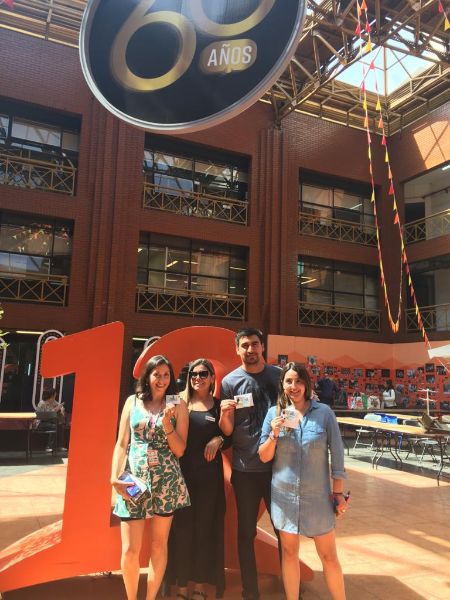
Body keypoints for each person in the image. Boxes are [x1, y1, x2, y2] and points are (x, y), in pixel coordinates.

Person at [258, 362, 347, 600]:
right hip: (284, 498)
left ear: (307, 384)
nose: (294, 386)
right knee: (289, 554)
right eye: (289, 381)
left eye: (299, 381)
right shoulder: (274, 414)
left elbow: (338, 454)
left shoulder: (324, 413)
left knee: (329, 556)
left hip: (318, 498)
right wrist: (274, 434)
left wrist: (338, 494)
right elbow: (264, 456)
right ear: (282, 385)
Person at [110, 355, 190, 600]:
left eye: (166, 375)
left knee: (158, 545)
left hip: (166, 482)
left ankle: (150, 597)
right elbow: (121, 443)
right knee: (130, 549)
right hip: (134, 481)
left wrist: (167, 423)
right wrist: (114, 479)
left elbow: (180, 450)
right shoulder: (132, 401)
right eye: (157, 374)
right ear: (148, 376)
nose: (161, 380)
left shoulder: (178, 404)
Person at [219, 328, 281, 600]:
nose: (250, 350)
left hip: (279, 469)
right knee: (245, 533)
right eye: (245, 345)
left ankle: (291, 586)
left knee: (284, 532)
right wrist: (224, 416)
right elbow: (227, 430)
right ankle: (250, 591)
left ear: (262, 347)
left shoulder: (280, 377)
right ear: (237, 349)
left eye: (255, 344)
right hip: (244, 470)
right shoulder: (230, 382)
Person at [170, 358, 227, 600]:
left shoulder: (219, 406)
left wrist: (220, 439)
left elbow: (230, 434)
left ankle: (200, 585)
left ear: (212, 378)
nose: (198, 378)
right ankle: (182, 585)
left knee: (204, 531)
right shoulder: (178, 402)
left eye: (204, 374)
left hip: (209, 480)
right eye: (193, 373)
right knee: (182, 531)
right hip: (181, 477)